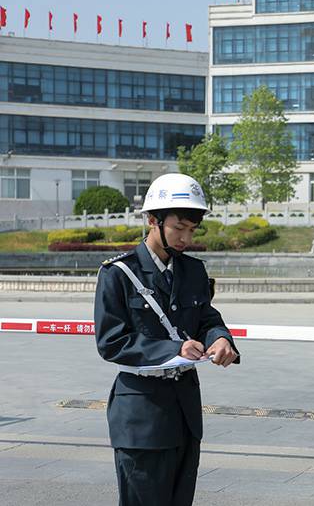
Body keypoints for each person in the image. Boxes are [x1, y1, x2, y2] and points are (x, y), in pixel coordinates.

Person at [94, 173, 240, 506]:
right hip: (141, 414)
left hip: (185, 411)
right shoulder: (118, 273)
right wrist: (175, 348)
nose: (186, 238)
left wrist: (220, 338)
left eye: (193, 230)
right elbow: (111, 341)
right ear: (152, 220)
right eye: (179, 228)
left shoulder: (193, 270)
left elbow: (206, 318)